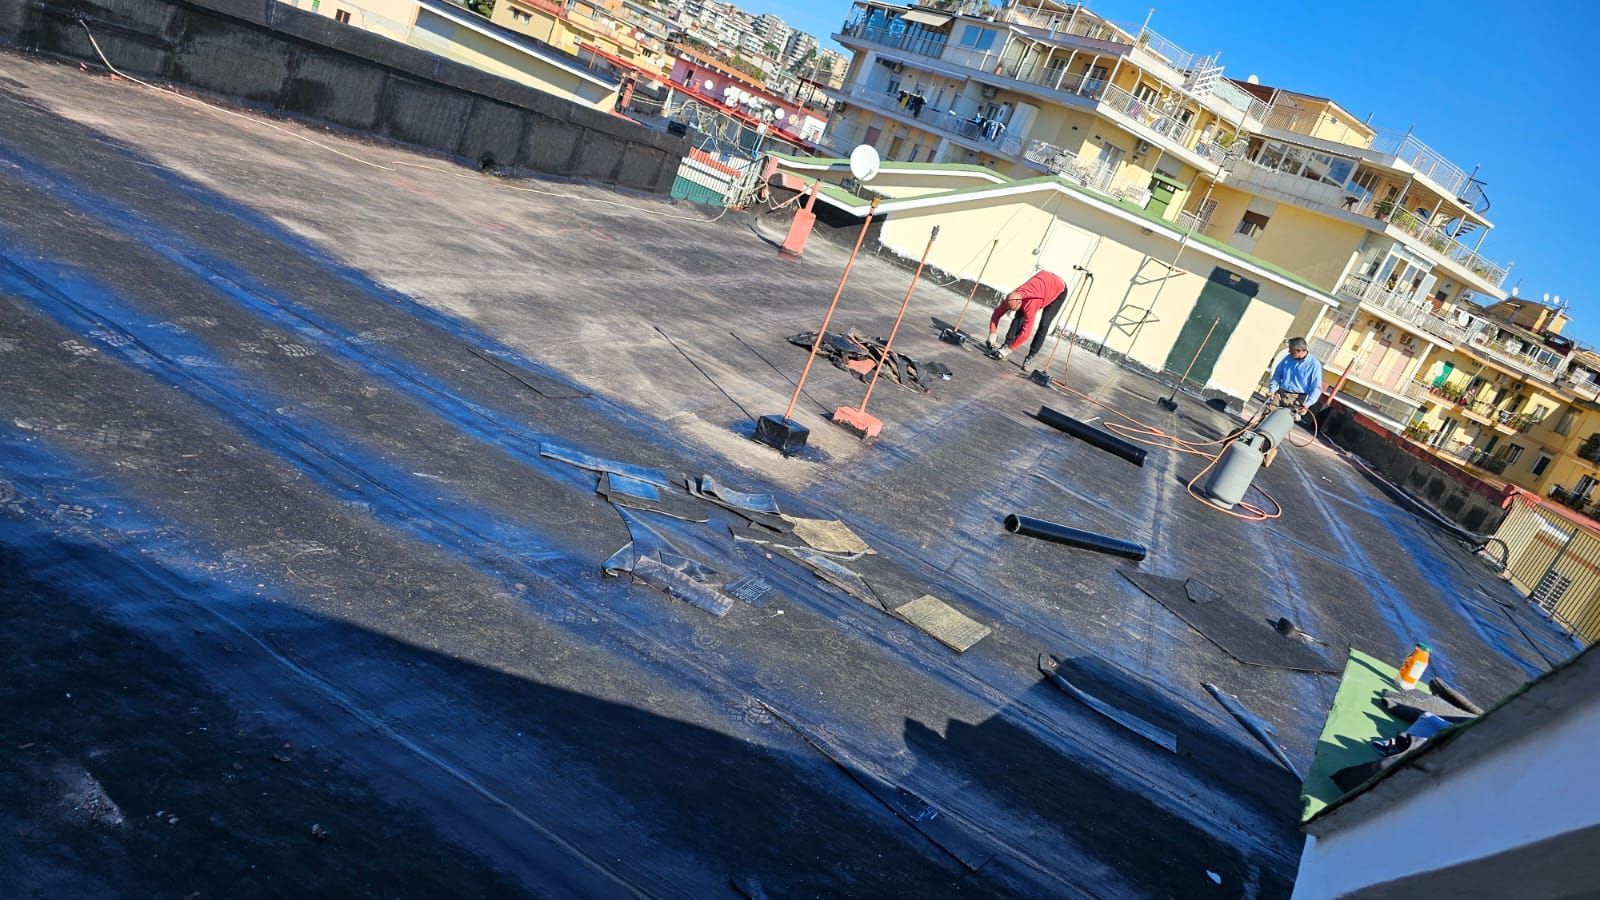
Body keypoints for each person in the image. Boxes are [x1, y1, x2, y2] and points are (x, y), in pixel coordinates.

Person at [1256, 336, 1323, 466]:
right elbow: (1277, 375)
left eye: (1292, 350)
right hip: (1281, 392)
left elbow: (1316, 388)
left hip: (1298, 398)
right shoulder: (1288, 359)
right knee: (1266, 415)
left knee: (1282, 423)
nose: (1289, 353)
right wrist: (1272, 389)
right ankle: (1255, 441)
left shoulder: (1314, 365)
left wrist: (1307, 404)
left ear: (1299, 351)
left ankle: (1269, 450)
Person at [986, 270, 1069, 368]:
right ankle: (1005, 344)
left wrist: (1009, 350)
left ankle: (1031, 356)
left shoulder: (1031, 305)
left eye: (1013, 309)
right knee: (1019, 315)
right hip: (1044, 280)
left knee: (1044, 323)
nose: (1011, 311)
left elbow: (1026, 333)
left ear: (1020, 302)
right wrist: (992, 333)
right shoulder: (1013, 296)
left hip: (1059, 289)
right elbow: (997, 313)